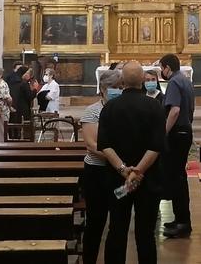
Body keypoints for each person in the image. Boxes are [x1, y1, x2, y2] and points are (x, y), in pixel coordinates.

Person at [98, 62, 166, 264]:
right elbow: (156, 146)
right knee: (146, 234)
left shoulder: (110, 107)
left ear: (122, 81)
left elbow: (104, 145)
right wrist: (138, 171)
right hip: (148, 179)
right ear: (143, 82)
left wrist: (124, 171)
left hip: (119, 181)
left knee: (117, 230)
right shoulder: (154, 106)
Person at [79, 68, 122, 264]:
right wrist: (118, 159)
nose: (117, 91)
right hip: (97, 173)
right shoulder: (92, 111)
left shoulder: (123, 110)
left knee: (118, 222)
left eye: (120, 87)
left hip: (118, 175)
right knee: (96, 221)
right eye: (113, 87)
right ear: (103, 88)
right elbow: (92, 145)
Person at [159, 53, 194, 238]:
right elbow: (190, 109)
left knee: (177, 178)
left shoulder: (173, 82)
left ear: (167, 67)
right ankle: (181, 218)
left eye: (161, 68)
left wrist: (162, 132)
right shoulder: (185, 80)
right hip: (185, 130)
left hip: (177, 133)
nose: (161, 72)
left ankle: (182, 222)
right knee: (179, 177)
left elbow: (174, 110)